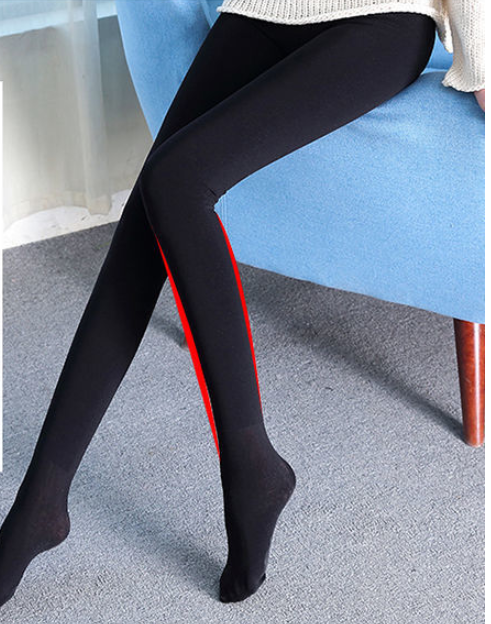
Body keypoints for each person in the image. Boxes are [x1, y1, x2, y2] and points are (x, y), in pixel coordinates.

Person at [0, 0, 485, 609]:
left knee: (175, 179)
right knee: (144, 223)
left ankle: (249, 463)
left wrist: (483, 68)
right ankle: (42, 501)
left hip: (382, 21)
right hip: (264, 7)